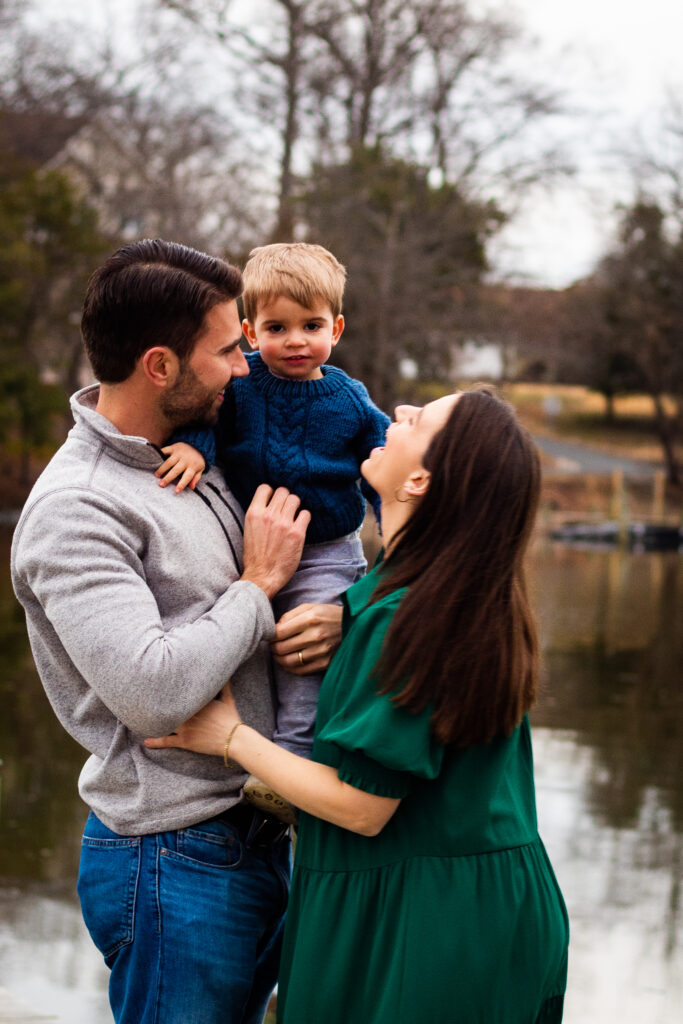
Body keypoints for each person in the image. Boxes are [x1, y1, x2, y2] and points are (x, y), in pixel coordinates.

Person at [146, 387, 570, 1024]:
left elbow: (363, 807)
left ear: (422, 479)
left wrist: (230, 735)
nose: (396, 414)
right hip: (491, 906)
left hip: (428, 921)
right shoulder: (449, 599)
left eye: (419, 419)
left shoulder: (408, 615)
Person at [10, 238, 343, 1024]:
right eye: (230, 349)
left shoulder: (203, 449)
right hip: (173, 859)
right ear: (160, 366)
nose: (245, 366)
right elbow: (153, 692)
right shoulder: (78, 511)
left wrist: (328, 617)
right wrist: (256, 588)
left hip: (266, 833)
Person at [156, 242, 390, 820]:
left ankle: (290, 767)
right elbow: (212, 422)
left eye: (311, 326)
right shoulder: (241, 384)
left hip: (327, 550)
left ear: (336, 328)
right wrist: (194, 447)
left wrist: (395, 525)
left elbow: (383, 461)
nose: (294, 341)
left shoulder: (349, 398)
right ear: (249, 331)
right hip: (249, 538)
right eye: (276, 327)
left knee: (302, 655)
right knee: (240, 638)